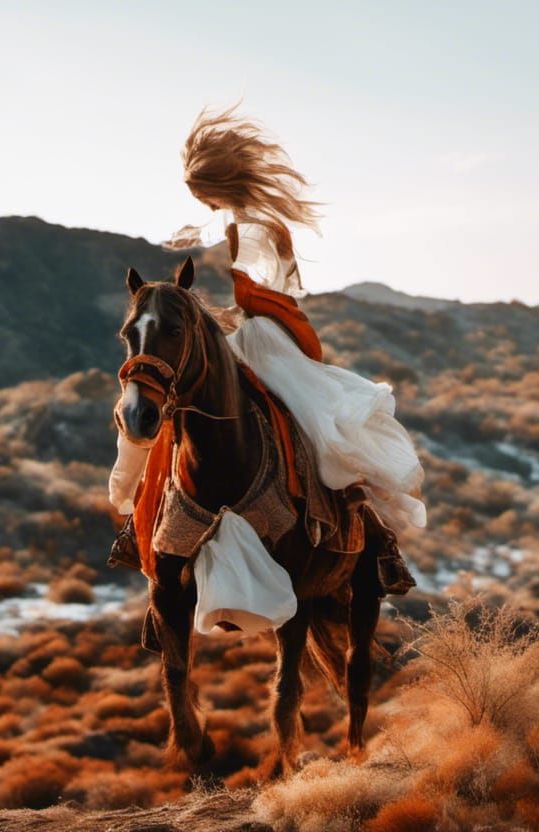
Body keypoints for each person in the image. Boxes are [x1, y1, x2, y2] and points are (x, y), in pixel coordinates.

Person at [109, 106, 423, 595]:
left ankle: (370, 539)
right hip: (259, 331)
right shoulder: (250, 222)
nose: (202, 204)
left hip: (262, 338)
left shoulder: (250, 226)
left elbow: (254, 293)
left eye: (201, 194)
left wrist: (219, 306)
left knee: (311, 429)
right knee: (178, 406)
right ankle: (146, 523)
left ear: (216, 184)